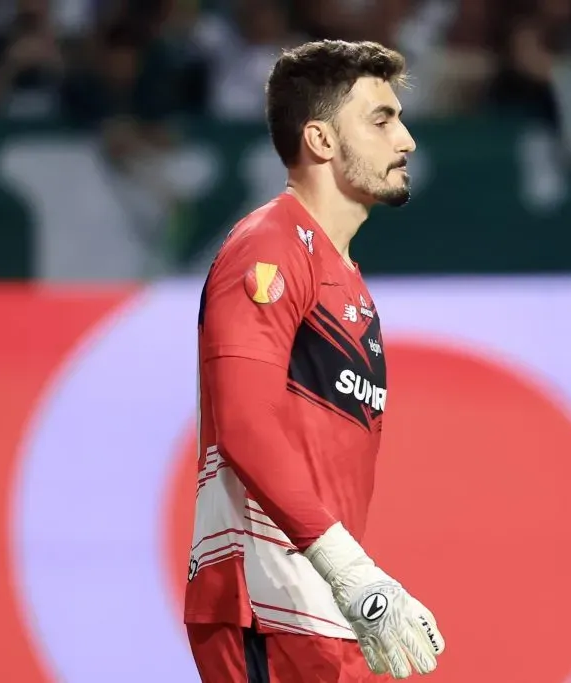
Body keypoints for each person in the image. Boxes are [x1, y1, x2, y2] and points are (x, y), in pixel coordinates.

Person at [185, 39, 445, 682]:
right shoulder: (269, 245)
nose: (406, 140)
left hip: (323, 608)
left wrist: (362, 583)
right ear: (322, 141)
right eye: (382, 119)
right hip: (265, 605)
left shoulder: (347, 279)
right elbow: (243, 425)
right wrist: (351, 571)